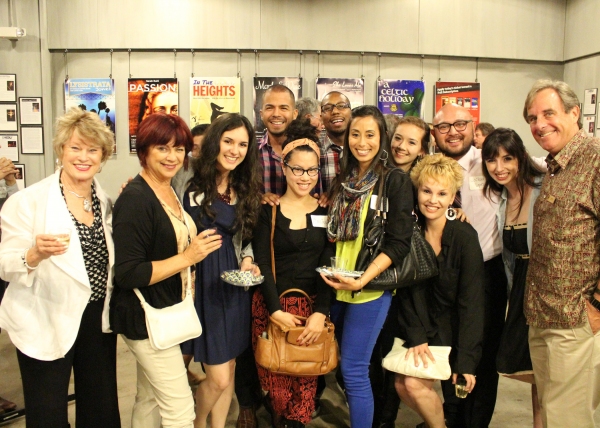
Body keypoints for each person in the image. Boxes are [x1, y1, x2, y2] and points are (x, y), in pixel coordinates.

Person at [0, 107, 120, 427]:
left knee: (100, 404)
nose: (83, 156)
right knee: (47, 410)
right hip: (44, 314)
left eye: (92, 150)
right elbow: (5, 263)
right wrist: (34, 254)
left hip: (96, 317)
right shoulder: (27, 201)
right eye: (75, 147)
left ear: (103, 155)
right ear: (61, 150)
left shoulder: (105, 202)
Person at [110, 113, 221, 428]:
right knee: (180, 411)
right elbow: (129, 273)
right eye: (162, 148)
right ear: (144, 151)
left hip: (166, 313)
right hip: (145, 320)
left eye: (179, 148)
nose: (173, 157)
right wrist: (188, 257)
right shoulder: (135, 199)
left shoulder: (168, 189)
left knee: (148, 400)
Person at [321, 105, 414, 427]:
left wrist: (363, 281)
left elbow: (399, 243)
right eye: (355, 134)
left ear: (382, 138)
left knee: (355, 370)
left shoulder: (394, 181)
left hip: (369, 290)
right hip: (337, 285)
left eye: (370, 135)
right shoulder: (345, 180)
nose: (362, 142)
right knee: (340, 367)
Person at [523, 79, 600, 428]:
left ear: (574, 112)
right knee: (552, 413)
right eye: (532, 117)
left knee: (568, 419)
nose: (539, 124)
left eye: (548, 113)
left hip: (575, 319)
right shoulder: (556, 164)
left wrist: (596, 305)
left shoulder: (594, 160)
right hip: (543, 314)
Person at [182, 113, 262, 428]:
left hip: (231, 280)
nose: (234, 150)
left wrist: (247, 260)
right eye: (228, 141)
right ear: (216, 141)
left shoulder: (242, 186)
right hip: (197, 279)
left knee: (227, 368)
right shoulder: (187, 177)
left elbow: (245, 239)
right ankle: (197, 422)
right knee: (215, 375)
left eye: (242, 144)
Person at [394, 154, 484, 428]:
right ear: (417, 191)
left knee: (413, 383)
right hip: (421, 325)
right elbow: (406, 292)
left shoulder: (464, 237)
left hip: (454, 331)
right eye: (426, 191)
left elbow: (473, 303)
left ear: (452, 196)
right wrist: (417, 334)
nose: (433, 200)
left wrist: (467, 360)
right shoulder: (409, 234)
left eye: (442, 193)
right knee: (402, 384)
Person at [431, 103, 506, 428]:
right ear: (434, 132)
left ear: (473, 126)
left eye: (460, 123)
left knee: (482, 356)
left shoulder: (489, 162)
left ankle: (474, 423)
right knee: (450, 351)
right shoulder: (428, 168)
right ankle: (452, 417)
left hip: (486, 275)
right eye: (444, 126)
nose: (453, 131)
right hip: (440, 274)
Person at [251, 138, 335, 428]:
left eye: (312, 171)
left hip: (310, 310)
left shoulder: (326, 211)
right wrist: (274, 311)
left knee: (306, 385)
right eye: (298, 169)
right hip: (272, 306)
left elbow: (328, 266)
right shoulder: (268, 210)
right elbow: (263, 264)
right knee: (277, 385)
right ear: (284, 169)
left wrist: (320, 314)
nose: (305, 177)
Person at [237, 86, 298, 428]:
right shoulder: (250, 151)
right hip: (252, 246)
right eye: (270, 107)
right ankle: (248, 401)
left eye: (284, 107)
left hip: (293, 250)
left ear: (294, 112)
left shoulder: (307, 148)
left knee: (292, 327)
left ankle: (293, 402)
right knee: (250, 328)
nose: (277, 112)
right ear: (261, 112)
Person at [481, 128, 545, 428]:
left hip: (545, 285)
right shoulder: (501, 199)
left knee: (549, 371)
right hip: (519, 287)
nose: (500, 167)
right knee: (534, 370)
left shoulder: (543, 186)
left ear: (520, 157)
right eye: (492, 160)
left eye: (507, 158)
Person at [318, 91, 352, 196]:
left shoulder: (361, 149)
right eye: (328, 108)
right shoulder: (314, 150)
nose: (335, 111)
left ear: (351, 112)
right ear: (321, 117)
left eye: (341, 106)